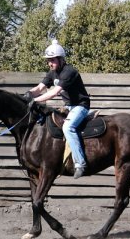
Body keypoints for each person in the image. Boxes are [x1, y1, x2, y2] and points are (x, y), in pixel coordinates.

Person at [26, 40, 91, 179]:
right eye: (48, 60)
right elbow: (40, 88)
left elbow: (54, 92)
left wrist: (35, 100)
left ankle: (80, 163)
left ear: (61, 59)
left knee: (68, 127)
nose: (50, 63)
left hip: (81, 106)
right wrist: (27, 95)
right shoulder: (52, 73)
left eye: (53, 60)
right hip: (68, 106)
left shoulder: (69, 72)